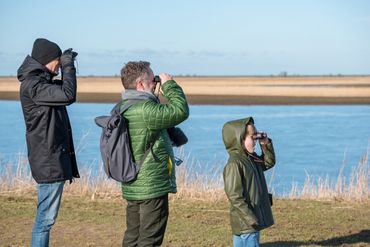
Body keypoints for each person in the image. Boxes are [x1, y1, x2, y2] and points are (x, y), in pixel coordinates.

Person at [17, 38, 79, 247]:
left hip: (49, 159)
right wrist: (69, 66)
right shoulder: (34, 86)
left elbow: (64, 89)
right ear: (46, 60)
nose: (60, 64)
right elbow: (68, 94)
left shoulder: (39, 84)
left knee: (45, 219)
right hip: (49, 162)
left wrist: (68, 67)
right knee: (45, 220)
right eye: (58, 60)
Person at [120, 61, 189, 246]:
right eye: (152, 80)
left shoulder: (126, 106)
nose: (155, 83)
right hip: (151, 185)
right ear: (140, 85)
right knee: (150, 239)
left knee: (133, 237)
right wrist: (170, 85)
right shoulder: (145, 111)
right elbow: (180, 111)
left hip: (133, 183)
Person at [222, 117, 276, 247]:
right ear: (239, 139)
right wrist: (250, 218)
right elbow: (235, 196)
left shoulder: (251, 158)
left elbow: (268, 162)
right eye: (253, 138)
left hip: (247, 220)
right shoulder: (234, 164)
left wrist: (265, 143)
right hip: (247, 220)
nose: (255, 141)